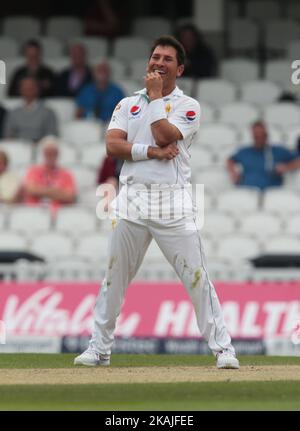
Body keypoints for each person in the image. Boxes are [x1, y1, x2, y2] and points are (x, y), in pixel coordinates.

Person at [74, 35, 239, 369]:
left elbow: (165, 134)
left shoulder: (188, 105)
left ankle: (223, 349)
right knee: (113, 278)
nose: (159, 63)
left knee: (196, 277)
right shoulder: (126, 104)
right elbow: (112, 146)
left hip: (172, 203)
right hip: (131, 199)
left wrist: (155, 98)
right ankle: (99, 348)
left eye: (167, 59)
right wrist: (149, 152)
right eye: (155, 57)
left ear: (179, 68)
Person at [227, 121, 300, 190]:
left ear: (266, 135)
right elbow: (230, 160)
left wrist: (287, 167)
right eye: (256, 136)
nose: (259, 138)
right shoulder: (245, 152)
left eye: (262, 135)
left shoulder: (278, 151)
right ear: (253, 136)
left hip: (272, 193)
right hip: (247, 191)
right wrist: (233, 172)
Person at [22, 136, 77, 213]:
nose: (50, 155)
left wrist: (40, 191)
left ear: (58, 154)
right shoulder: (33, 171)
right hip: (34, 213)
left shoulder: (66, 174)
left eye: (53, 153)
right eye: (48, 153)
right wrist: (56, 192)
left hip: (59, 214)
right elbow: (30, 190)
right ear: (43, 154)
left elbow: (70, 196)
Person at [3, 77, 58, 142]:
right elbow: (8, 134)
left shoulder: (48, 112)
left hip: (39, 147)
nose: (28, 90)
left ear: (37, 89)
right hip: (17, 146)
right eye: (25, 87)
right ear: (20, 90)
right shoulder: (13, 112)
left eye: (31, 87)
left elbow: (51, 135)